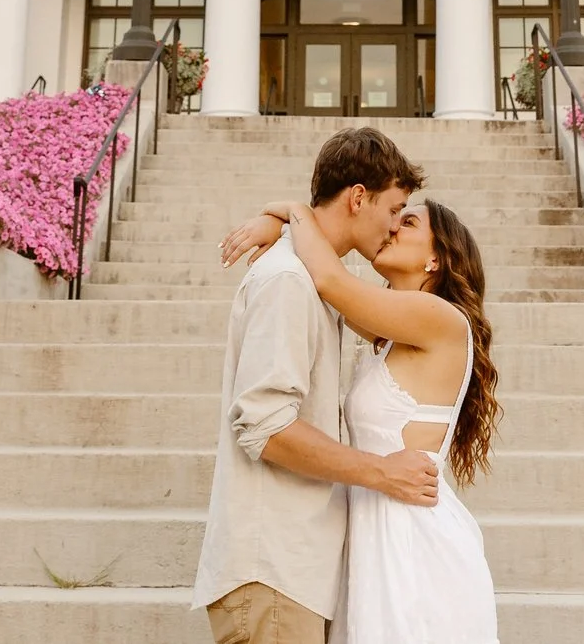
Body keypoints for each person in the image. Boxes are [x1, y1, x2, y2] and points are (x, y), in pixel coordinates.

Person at [220, 194, 501, 644]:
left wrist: (291, 212)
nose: (392, 229)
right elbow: (324, 277)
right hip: (374, 525)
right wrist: (283, 232)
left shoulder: (438, 316)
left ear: (436, 258)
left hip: (410, 536)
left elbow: (330, 280)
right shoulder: (392, 331)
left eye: (408, 223)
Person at [192, 126, 435, 644]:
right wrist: (382, 473)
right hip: (273, 570)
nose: (395, 228)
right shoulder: (288, 281)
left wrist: (283, 214)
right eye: (394, 210)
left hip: (294, 571)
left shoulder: (315, 278)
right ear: (358, 198)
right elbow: (265, 427)